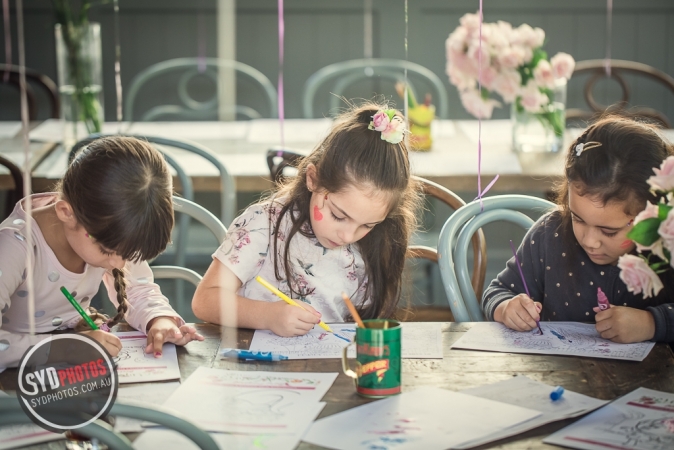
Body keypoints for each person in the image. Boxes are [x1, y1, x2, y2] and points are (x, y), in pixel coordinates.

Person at [192, 103, 421, 336]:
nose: (348, 236)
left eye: (367, 225)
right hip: (256, 363)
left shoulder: (377, 240)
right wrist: (268, 316)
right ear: (313, 178)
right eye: (338, 216)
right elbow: (205, 300)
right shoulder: (263, 224)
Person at [0, 136, 203, 370]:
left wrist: (159, 320)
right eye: (107, 251)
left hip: (74, 366)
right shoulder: (14, 246)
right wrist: (65, 347)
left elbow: (137, 290)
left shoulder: (107, 230)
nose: (118, 262)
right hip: (17, 382)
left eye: (128, 254)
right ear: (66, 212)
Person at [482, 115, 674, 344]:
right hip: (559, 376)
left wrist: (652, 324)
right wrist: (506, 308)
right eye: (578, 218)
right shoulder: (549, 235)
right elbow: (499, 290)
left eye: (609, 231)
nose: (590, 241)